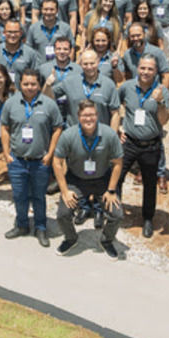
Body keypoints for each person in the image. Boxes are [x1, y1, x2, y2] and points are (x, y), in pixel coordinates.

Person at [53, 100, 125, 258]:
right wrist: (65, 191)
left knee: (117, 214)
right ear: (78, 116)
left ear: (97, 115)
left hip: (102, 179)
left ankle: (106, 240)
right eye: (84, 115)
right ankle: (71, 238)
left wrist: (111, 190)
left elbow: (118, 163)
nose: (88, 119)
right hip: (76, 180)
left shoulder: (109, 134)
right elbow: (57, 162)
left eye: (92, 115)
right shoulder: (68, 135)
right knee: (63, 214)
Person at [0, 70, 64, 247]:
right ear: (20, 84)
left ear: (39, 85)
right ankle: (21, 225)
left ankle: (40, 227)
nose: (30, 87)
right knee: (19, 196)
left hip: (40, 161)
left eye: (33, 84)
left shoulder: (49, 104)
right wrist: (6, 153)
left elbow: (58, 128)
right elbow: (4, 127)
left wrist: (50, 154)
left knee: (39, 197)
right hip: (17, 161)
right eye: (26, 84)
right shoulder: (11, 103)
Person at [116, 54, 169, 238]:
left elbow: (164, 120)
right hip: (129, 142)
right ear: (137, 68)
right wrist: (117, 130)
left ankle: (148, 218)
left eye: (150, 69)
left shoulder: (162, 90)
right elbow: (115, 107)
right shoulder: (127, 87)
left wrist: (160, 102)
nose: (146, 72)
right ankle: (115, 211)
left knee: (149, 183)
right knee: (117, 176)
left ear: (156, 71)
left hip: (151, 145)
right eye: (143, 68)